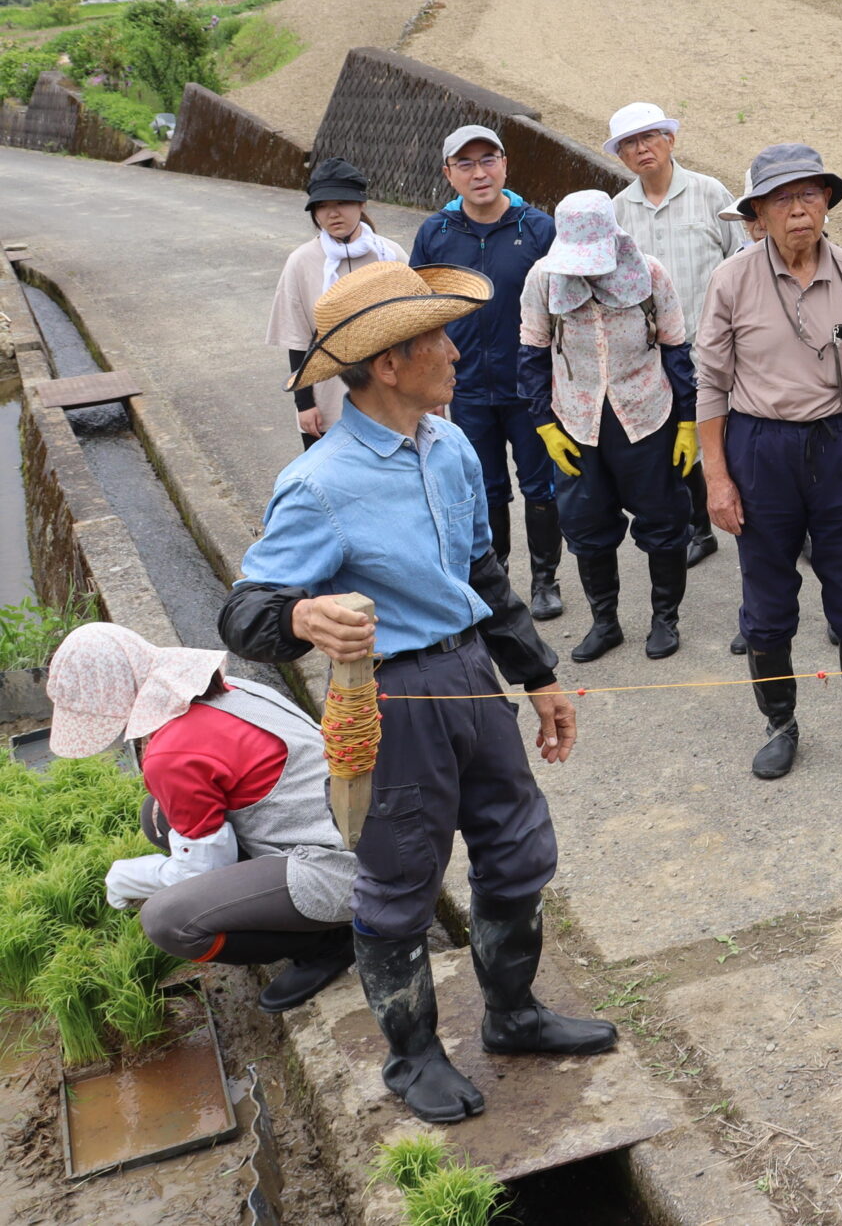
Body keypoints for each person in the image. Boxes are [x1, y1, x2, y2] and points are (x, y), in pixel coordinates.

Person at [220, 260, 612, 1125]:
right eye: (436, 338)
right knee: (398, 883)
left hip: (471, 672)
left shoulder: (452, 446)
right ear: (387, 364)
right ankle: (413, 1056)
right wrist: (307, 617)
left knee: (517, 850)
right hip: (391, 700)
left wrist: (539, 677)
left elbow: (483, 575)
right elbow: (244, 613)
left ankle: (513, 1013)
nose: (455, 352)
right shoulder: (319, 484)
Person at [695, 144, 842, 779]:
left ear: (827, 203)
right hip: (761, 449)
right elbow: (709, 384)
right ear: (758, 212)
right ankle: (780, 722)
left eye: (810, 195)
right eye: (783, 198)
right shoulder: (731, 280)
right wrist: (717, 478)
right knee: (766, 599)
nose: (798, 210)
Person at [48, 622, 355, 1014]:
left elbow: (199, 871)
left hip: (341, 869)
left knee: (167, 920)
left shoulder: (171, 753)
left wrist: (128, 877)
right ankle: (306, 920)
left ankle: (326, 945)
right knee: (157, 817)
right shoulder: (231, 689)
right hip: (357, 828)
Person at [521, 190, 697, 665]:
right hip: (576, 421)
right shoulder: (542, 278)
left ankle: (665, 619)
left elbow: (677, 349)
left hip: (646, 415)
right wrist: (544, 426)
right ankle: (606, 622)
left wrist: (687, 421)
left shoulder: (651, 272)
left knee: (663, 520)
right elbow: (533, 354)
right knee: (585, 524)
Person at [410, 125, 564, 622]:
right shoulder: (436, 233)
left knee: (540, 486)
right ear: (448, 174)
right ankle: (496, 580)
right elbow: (420, 311)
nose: (480, 173)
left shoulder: (537, 228)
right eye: (466, 164)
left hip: (531, 386)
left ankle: (546, 579)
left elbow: (565, 305)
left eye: (488, 160)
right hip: (467, 386)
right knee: (483, 488)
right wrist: (425, 387)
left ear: (505, 164)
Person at [607, 100, 743, 568]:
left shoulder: (710, 194)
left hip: (717, 342)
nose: (642, 149)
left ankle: (766, 520)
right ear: (621, 156)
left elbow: (742, 261)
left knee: (738, 432)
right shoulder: (617, 211)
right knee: (673, 440)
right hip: (656, 349)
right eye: (629, 143)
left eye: (650, 137)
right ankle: (698, 528)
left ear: (671, 140)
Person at [267, 157, 405, 447]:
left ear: (361, 204)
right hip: (327, 403)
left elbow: (414, 330)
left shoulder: (390, 255)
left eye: (342, 202)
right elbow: (297, 338)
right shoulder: (301, 262)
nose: (333, 213)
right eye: (322, 205)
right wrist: (303, 404)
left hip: (390, 396)